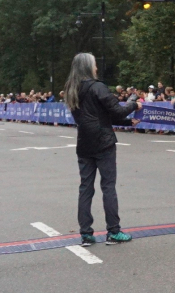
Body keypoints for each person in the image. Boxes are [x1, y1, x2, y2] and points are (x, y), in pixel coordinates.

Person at [64, 53, 142, 247]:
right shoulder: (98, 87)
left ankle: (86, 234)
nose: (96, 68)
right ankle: (113, 231)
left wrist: (125, 121)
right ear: (89, 67)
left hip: (84, 142)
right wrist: (134, 104)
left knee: (85, 188)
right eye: (95, 64)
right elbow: (116, 110)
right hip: (103, 141)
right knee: (108, 186)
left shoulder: (72, 89)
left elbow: (98, 115)